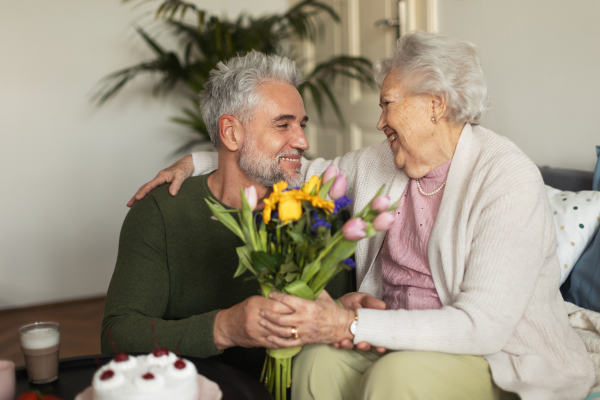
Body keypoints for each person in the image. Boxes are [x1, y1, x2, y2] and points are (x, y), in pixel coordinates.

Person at [131, 32, 595, 399]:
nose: (379, 121)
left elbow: (483, 326)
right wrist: (204, 158)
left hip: (497, 357)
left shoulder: (506, 177)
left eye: (387, 103)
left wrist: (347, 325)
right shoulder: (380, 162)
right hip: (388, 338)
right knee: (315, 363)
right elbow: (292, 168)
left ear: (436, 103)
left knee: (400, 375)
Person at [102, 50, 379, 378]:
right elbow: (116, 336)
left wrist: (340, 310)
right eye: (283, 124)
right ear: (231, 133)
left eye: (301, 125)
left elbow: (323, 324)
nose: (303, 141)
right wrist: (224, 328)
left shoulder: (318, 212)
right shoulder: (161, 212)